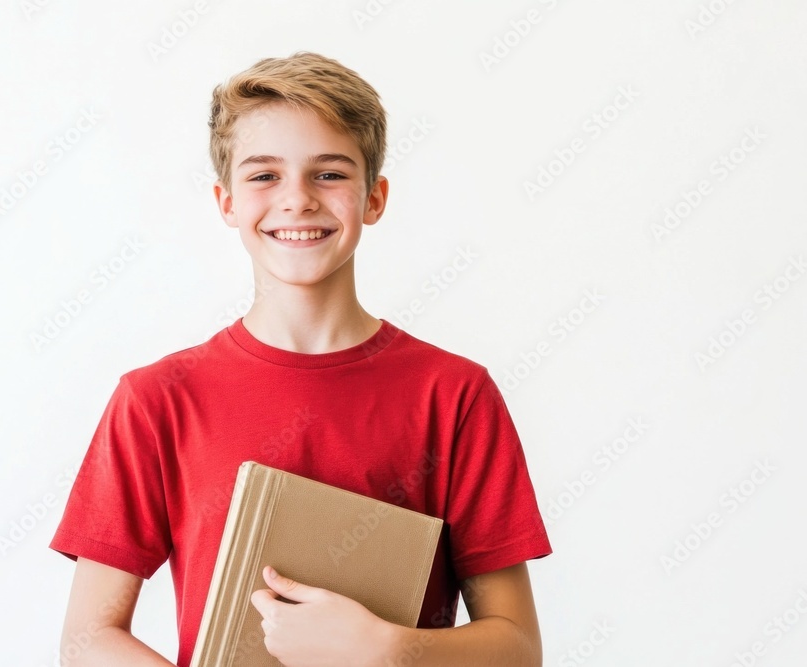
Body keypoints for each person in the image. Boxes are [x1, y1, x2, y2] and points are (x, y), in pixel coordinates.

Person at [49, 50, 552, 667]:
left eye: (330, 174)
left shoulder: (453, 394)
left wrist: (387, 648)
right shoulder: (157, 400)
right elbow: (86, 639)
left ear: (374, 198)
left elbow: (519, 649)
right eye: (264, 175)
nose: (297, 200)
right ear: (226, 202)